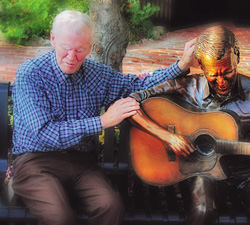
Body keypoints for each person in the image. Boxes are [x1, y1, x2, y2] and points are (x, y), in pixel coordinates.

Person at [11, 10, 196, 225]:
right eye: (65, 48)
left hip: (81, 162)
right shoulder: (31, 74)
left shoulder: (96, 74)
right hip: (35, 162)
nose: (72, 57)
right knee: (60, 218)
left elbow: (136, 85)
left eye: (80, 50)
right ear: (53, 39)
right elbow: (46, 133)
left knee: (111, 206)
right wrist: (102, 121)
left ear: (90, 47)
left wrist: (181, 65)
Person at [129, 25, 250, 225]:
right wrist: (168, 136)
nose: (221, 81)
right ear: (202, 67)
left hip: (248, 173)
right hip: (204, 172)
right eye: (213, 75)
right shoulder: (186, 87)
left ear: (237, 58)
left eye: (228, 71)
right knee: (202, 210)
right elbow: (131, 103)